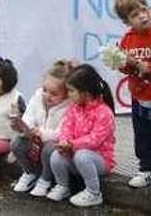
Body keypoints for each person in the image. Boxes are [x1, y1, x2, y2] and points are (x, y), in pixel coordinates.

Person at [107, 0, 151, 191]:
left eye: (144, 10)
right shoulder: (128, 39)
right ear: (126, 21)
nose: (143, 16)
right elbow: (125, 68)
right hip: (139, 97)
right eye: (135, 15)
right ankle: (146, 168)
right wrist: (121, 62)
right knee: (143, 135)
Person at [45, 65, 117, 208]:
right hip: (75, 153)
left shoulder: (104, 112)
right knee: (56, 155)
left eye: (71, 90)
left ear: (86, 92)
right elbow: (66, 127)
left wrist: (73, 145)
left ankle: (94, 193)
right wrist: (64, 142)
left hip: (99, 159)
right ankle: (62, 186)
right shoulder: (74, 109)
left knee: (82, 155)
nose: (69, 94)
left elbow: (95, 139)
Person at [13, 60, 75, 196]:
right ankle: (30, 173)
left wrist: (42, 133)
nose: (47, 95)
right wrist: (25, 127)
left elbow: (63, 132)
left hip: (51, 142)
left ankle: (45, 179)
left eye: (54, 94)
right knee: (17, 143)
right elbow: (29, 116)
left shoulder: (69, 107)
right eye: (45, 90)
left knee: (50, 148)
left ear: (66, 94)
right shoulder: (37, 96)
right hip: (35, 138)